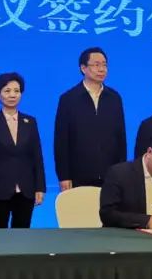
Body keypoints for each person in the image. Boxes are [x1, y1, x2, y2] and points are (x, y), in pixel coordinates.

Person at [0, 72, 46, 229]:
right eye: (7, 91)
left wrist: (40, 187)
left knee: (22, 235)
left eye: (16, 91)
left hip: (26, 190)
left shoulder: (30, 122)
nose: (12, 95)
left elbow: (37, 157)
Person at [54, 46, 126, 191]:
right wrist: (64, 176)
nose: (102, 69)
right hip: (79, 175)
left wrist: (122, 171)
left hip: (110, 175)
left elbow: (120, 138)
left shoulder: (114, 98)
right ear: (83, 68)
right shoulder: (68, 99)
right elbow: (61, 141)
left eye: (104, 65)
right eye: (96, 65)